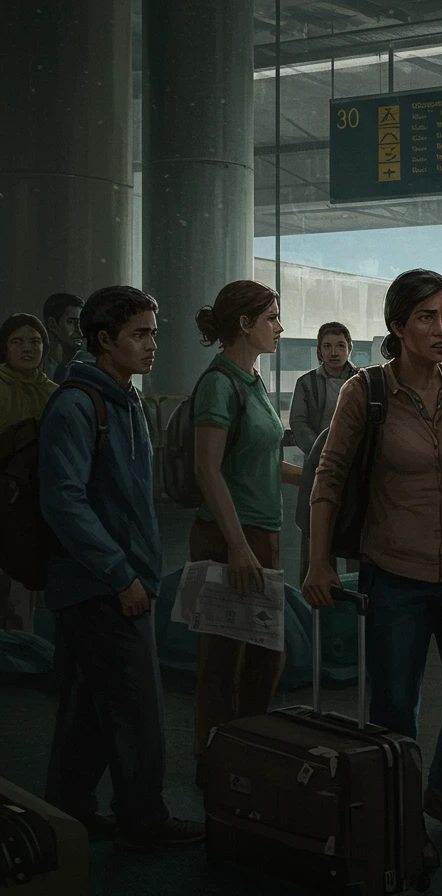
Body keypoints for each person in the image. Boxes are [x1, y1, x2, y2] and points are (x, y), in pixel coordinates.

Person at [303, 269, 442, 856]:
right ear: (397, 326)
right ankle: (399, 811)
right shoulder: (366, 391)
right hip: (394, 573)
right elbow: (327, 478)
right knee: (395, 705)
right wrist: (318, 562)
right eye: (427, 317)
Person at [40, 285, 205, 848]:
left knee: (89, 703)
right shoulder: (77, 404)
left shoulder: (123, 398)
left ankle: (69, 807)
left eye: (153, 332)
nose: (152, 344)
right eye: (139, 334)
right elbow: (64, 501)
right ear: (104, 340)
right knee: (137, 706)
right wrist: (121, 574)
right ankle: (144, 817)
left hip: (115, 577)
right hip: (100, 583)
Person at [190, 280, 302, 785]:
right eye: (272, 318)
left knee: (260, 650)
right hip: (230, 536)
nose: (280, 328)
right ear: (244, 324)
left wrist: (316, 476)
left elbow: (260, 459)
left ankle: (241, 743)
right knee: (227, 655)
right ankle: (216, 753)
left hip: (261, 533)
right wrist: (236, 546)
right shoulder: (220, 383)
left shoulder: (252, 380)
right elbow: (208, 469)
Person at [0, 313, 59, 631]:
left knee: (28, 580)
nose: (27, 348)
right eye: (17, 341)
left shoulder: (54, 392)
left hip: (37, 500)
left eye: (35, 341)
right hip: (4, 498)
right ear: (5, 348)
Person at [290, 321, 358, 457]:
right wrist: (320, 453)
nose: (334, 353)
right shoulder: (306, 383)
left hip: (357, 457)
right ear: (319, 350)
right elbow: (298, 423)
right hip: (318, 458)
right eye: (327, 346)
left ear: (349, 348)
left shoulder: (362, 380)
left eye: (340, 346)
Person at [40, 292, 93, 384]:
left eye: (81, 322)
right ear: (52, 324)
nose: (80, 331)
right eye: (71, 322)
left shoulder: (89, 365)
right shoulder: (37, 366)